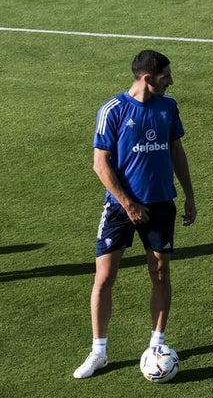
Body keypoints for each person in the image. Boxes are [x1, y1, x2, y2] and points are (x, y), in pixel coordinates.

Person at [73, 50, 197, 379]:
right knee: (104, 278)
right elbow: (100, 164)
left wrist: (189, 195)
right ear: (147, 78)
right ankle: (98, 352)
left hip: (160, 205)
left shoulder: (168, 107)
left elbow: (175, 150)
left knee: (159, 274)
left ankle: (157, 344)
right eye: (166, 76)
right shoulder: (113, 110)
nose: (170, 81)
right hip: (119, 208)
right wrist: (128, 204)